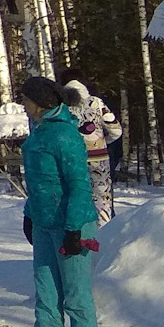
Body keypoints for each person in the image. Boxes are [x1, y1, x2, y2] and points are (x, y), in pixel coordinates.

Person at [20, 75, 102, 327]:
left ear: (40, 103)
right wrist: (29, 215)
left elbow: (80, 185)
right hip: (44, 225)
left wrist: (73, 229)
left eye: (26, 99)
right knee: (47, 299)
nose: (23, 105)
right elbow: (40, 185)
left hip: (73, 227)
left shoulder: (65, 136)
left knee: (77, 301)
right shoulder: (40, 132)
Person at [57, 70, 123, 224]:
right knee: (102, 202)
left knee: (74, 200)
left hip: (70, 160)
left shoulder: (60, 106)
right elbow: (116, 130)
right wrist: (102, 141)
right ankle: (104, 236)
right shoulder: (96, 103)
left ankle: (79, 236)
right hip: (98, 159)